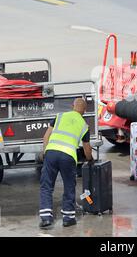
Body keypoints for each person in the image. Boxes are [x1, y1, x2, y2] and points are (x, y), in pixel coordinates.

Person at [39, 98, 94, 229]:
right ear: (84, 111)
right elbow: (87, 149)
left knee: (46, 186)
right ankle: (68, 218)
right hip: (68, 156)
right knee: (69, 186)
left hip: (51, 153)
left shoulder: (60, 116)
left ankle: (46, 218)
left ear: (72, 106)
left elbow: (46, 136)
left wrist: (46, 152)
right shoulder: (84, 126)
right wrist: (90, 159)